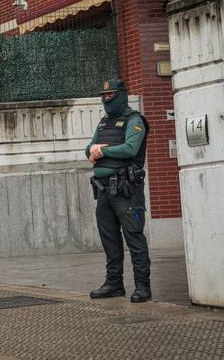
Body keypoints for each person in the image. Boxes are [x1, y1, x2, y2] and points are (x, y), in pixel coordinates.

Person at [86, 80, 152, 303]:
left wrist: (102, 151)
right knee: (109, 239)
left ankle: (142, 286)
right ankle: (114, 284)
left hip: (126, 190)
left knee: (134, 236)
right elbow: (88, 148)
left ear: (122, 95)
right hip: (104, 191)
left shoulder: (135, 121)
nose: (107, 99)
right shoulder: (104, 123)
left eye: (111, 95)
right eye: (104, 96)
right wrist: (94, 149)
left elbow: (130, 149)